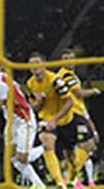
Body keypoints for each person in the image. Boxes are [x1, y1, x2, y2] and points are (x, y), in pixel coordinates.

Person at [0, 55, 44, 187]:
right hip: (12, 122)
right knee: (14, 159)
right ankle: (39, 186)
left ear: (0, 67)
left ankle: (45, 148)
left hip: (24, 121)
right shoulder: (3, 79)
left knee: (22, 158)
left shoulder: (1, 83)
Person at [54, 50, 102, 187]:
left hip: (70, 114)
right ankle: (70, 179)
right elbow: (79, 93)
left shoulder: (60, 75)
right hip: (73, 114)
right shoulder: (67, 75)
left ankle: (72, 181)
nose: (69, 61)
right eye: (65, 59)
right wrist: (94, 91)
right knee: (88, 145)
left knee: (71, 152)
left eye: (71, 58)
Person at [27, 52, 70, 189]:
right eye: (31, 64)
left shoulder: (55, 80)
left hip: (63, 118)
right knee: (47, 143)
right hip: (45, 118)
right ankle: (59, 183)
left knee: (75, 151)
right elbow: (33, 106)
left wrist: (56, 120)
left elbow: (69, 102)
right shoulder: (30, 83)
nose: (34, 67)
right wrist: (39, 102)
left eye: (37, 63)